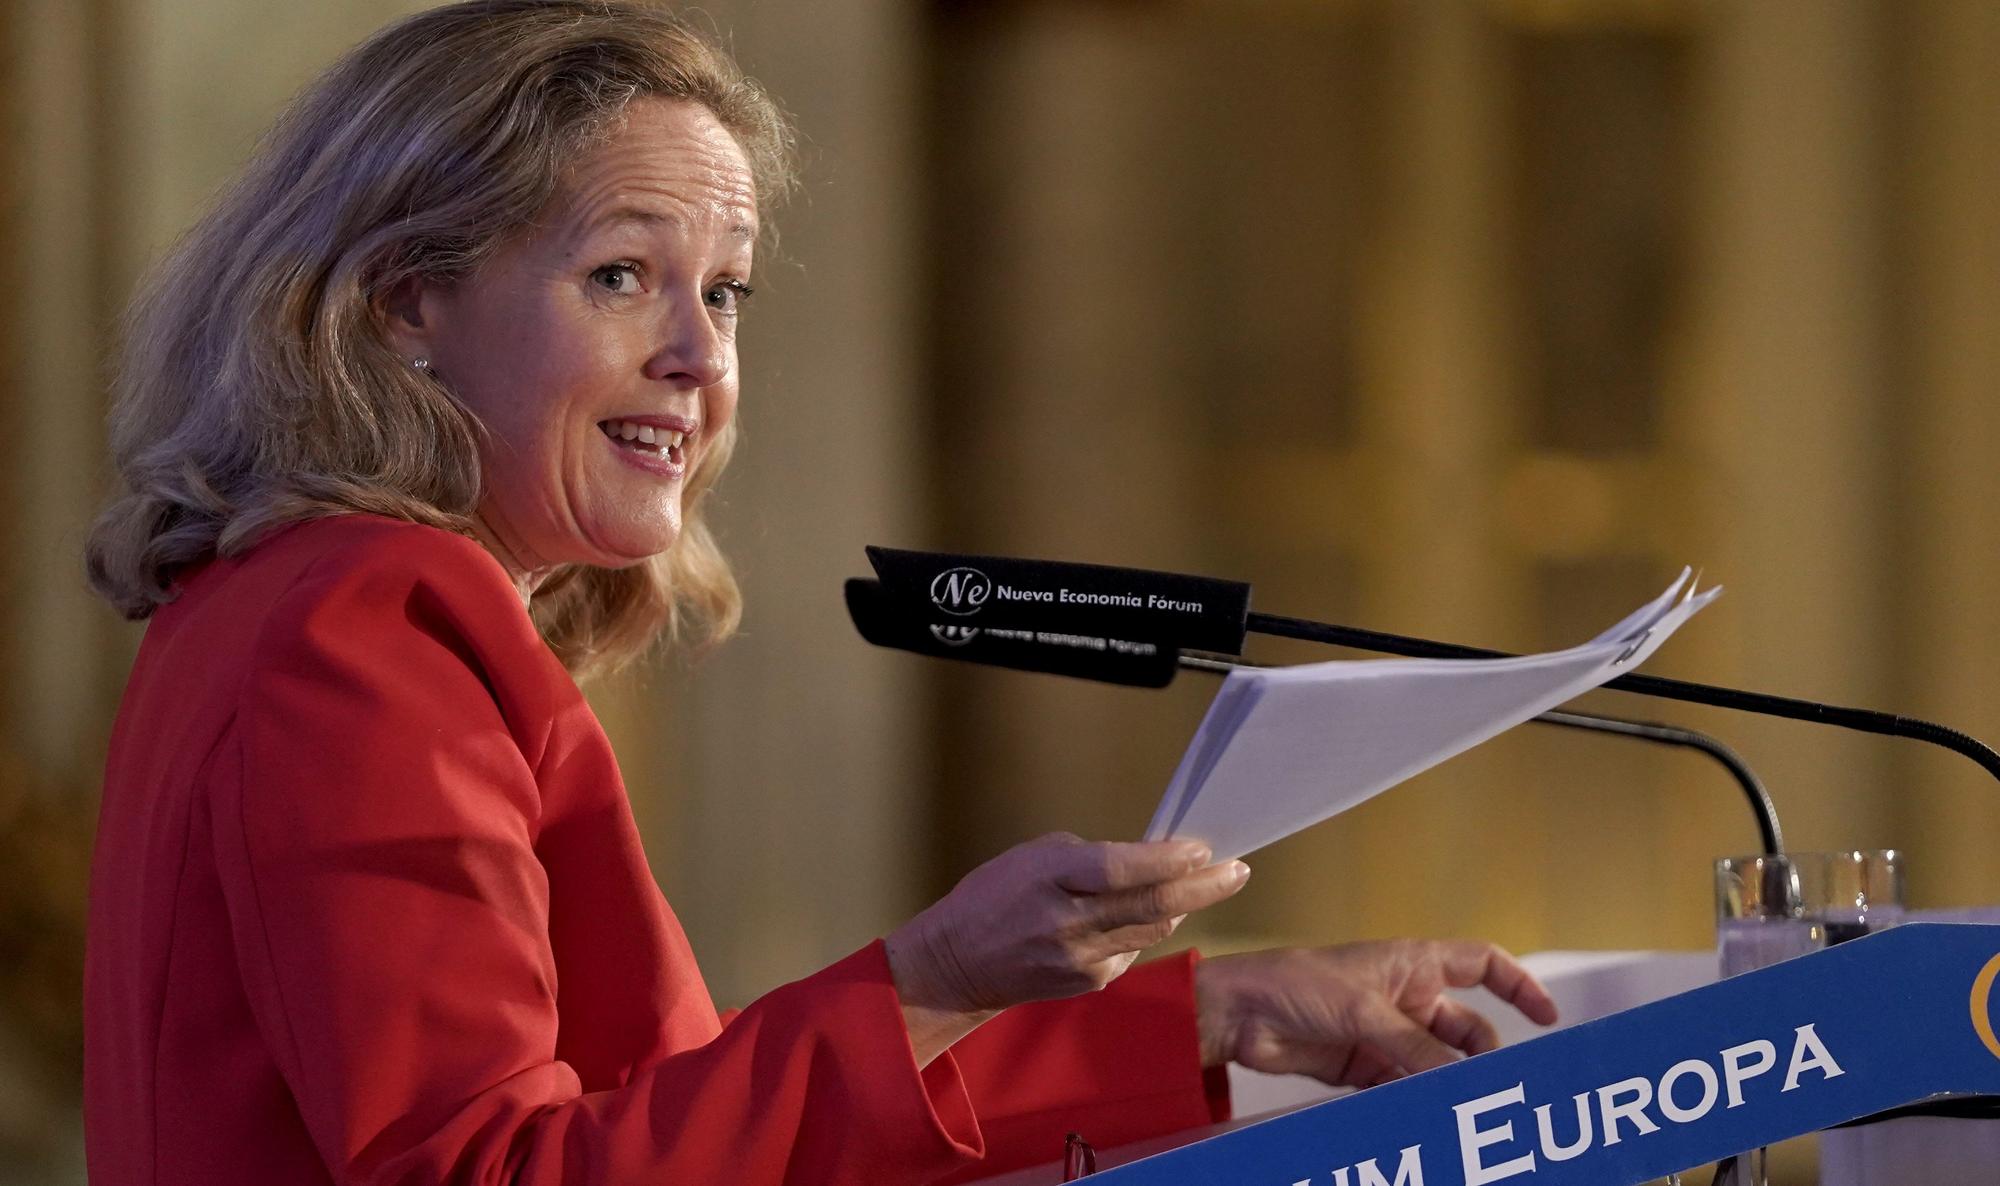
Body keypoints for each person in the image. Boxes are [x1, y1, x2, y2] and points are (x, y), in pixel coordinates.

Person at [80, 3, 1558, 1184]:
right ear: (407, 301)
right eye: (618, 275)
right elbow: (496, 1170)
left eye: (722, 292)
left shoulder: (299, 600)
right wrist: (930, 971)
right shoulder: (370, 622)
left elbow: (684, 1126)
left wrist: (1225, 1010)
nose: (697, 356)